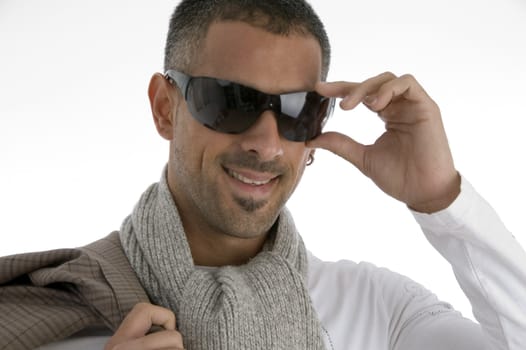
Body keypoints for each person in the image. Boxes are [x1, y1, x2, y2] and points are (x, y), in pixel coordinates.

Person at [1, 0, 525, 349]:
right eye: (229, 102)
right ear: (165, 108)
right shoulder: (53, 313)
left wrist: (442, 199)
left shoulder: (381, 313)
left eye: (298, 111)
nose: (267, 143)